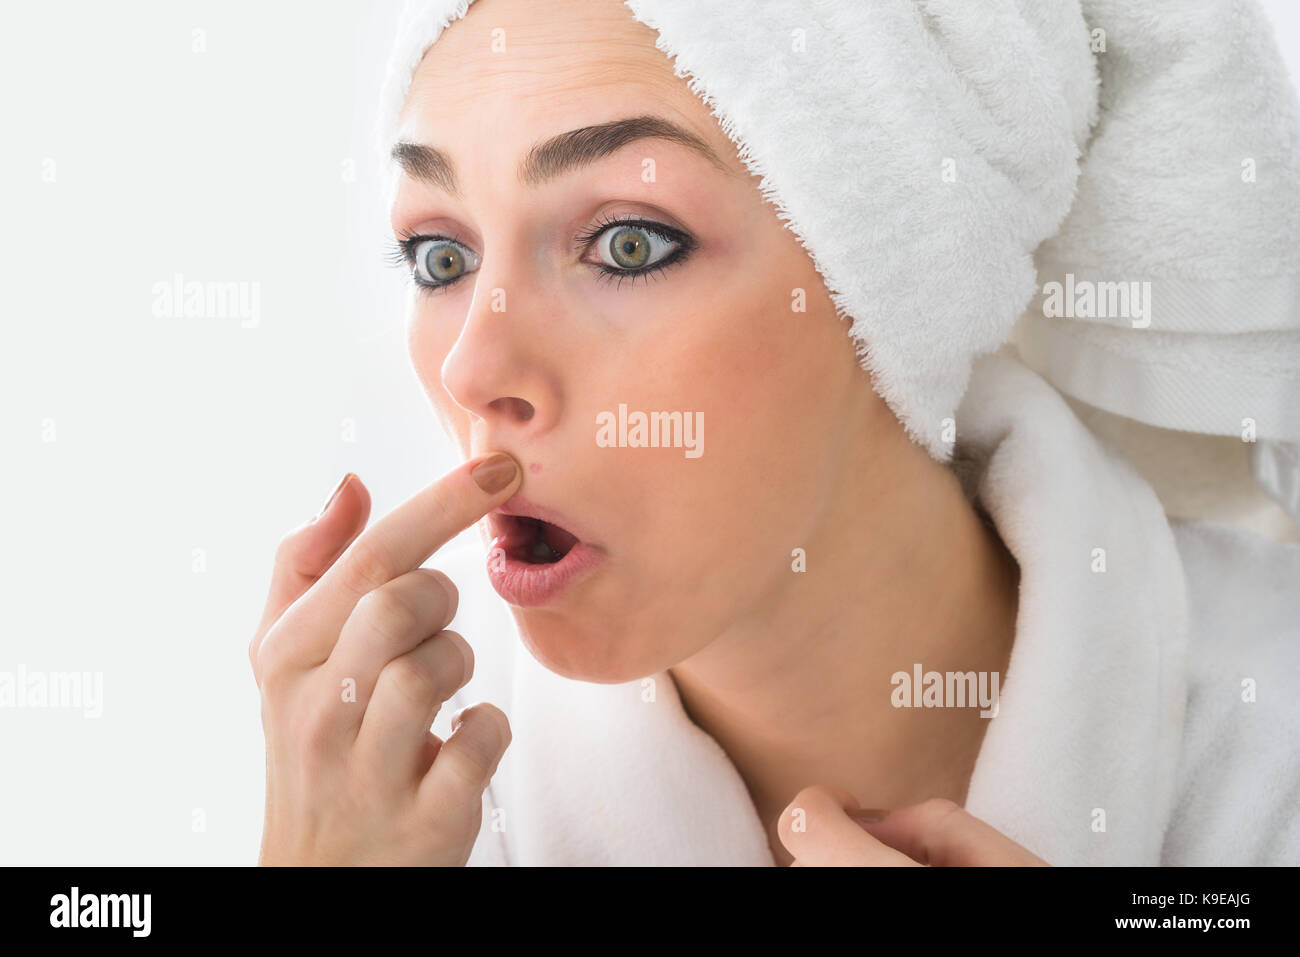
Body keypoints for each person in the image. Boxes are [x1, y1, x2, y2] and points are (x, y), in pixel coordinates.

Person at [248, 0, 1300, 866]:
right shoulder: (394, 817)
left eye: (628, 244)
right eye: (441, 258)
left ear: (895, 289)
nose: (475, 370)